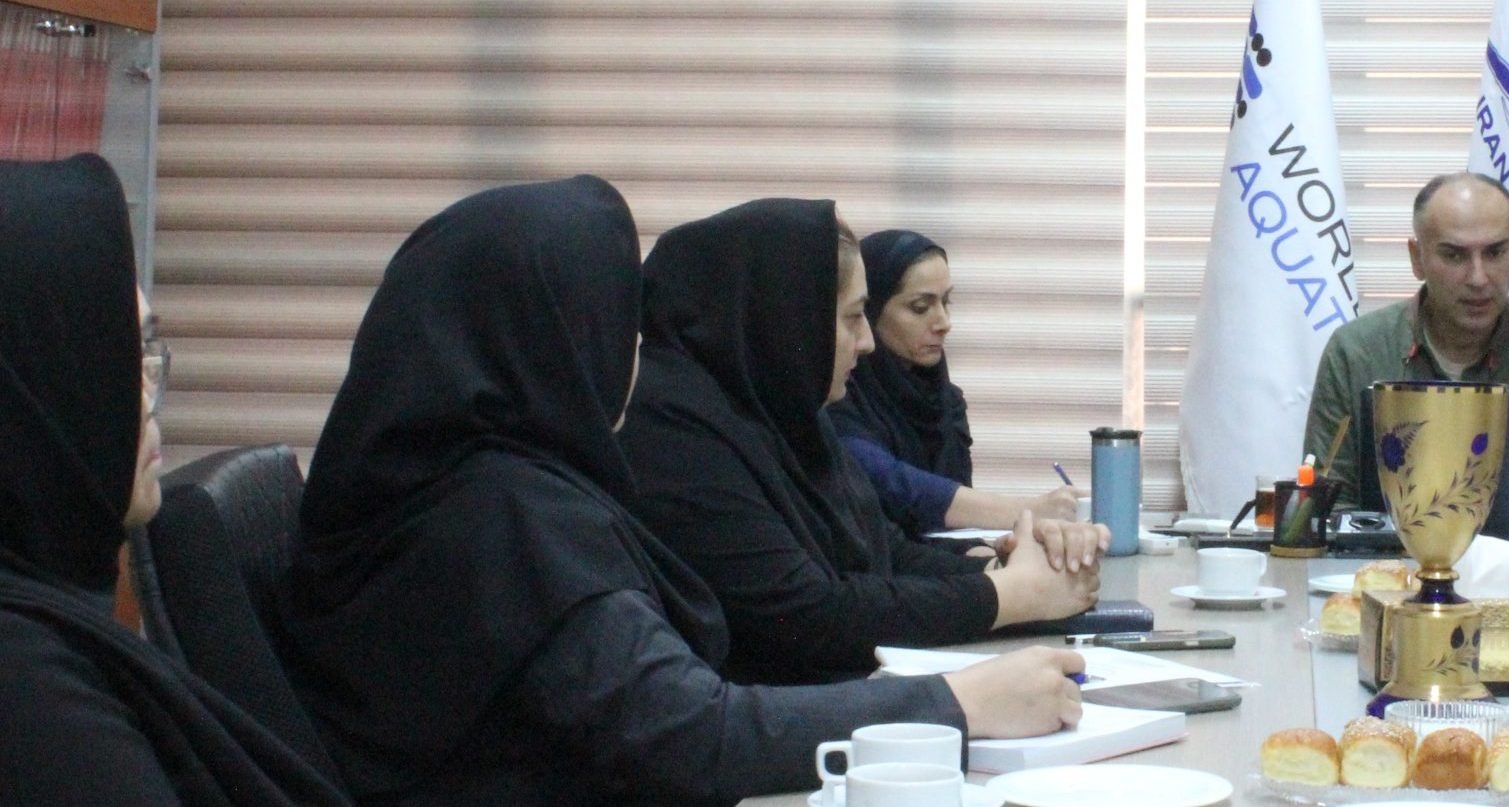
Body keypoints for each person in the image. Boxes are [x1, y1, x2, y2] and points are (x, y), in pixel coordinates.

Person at [279, 177, 1083, 805]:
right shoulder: (503, 516)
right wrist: (956, 702)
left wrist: (991, 580)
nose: (633, 347)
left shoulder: (480, 482)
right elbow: (694, 733)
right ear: (551, 339)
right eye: (613, 322)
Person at [0, 155, 349, 805]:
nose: (147, 394)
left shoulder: (32, 615)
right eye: (112, 354)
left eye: (148, 351)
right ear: (3, 387)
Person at [619, 201, 1104, 687]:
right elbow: (807, 617)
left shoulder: (778, 407)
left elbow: (884, 551)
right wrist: (1008, 595)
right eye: (853, 317)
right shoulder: (673, 427)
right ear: (784, 318)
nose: (867, 341)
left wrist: (1001, 563)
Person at [1300, 172, 1509, 516]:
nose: (1478, 278)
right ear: (1417, 259)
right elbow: (1327, 506)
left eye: (1495, 252)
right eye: (1454, 256)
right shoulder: (1356, 352)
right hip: (1392, 551)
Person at [833, 228, 1086, 538]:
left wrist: (989, 553)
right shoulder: (837, 396)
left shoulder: (945, 401)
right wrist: (1027, 510)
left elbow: (957, 529)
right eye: (920, 307)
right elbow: (889, 483)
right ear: (870, 312)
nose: (944, 323)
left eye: (946, 302)